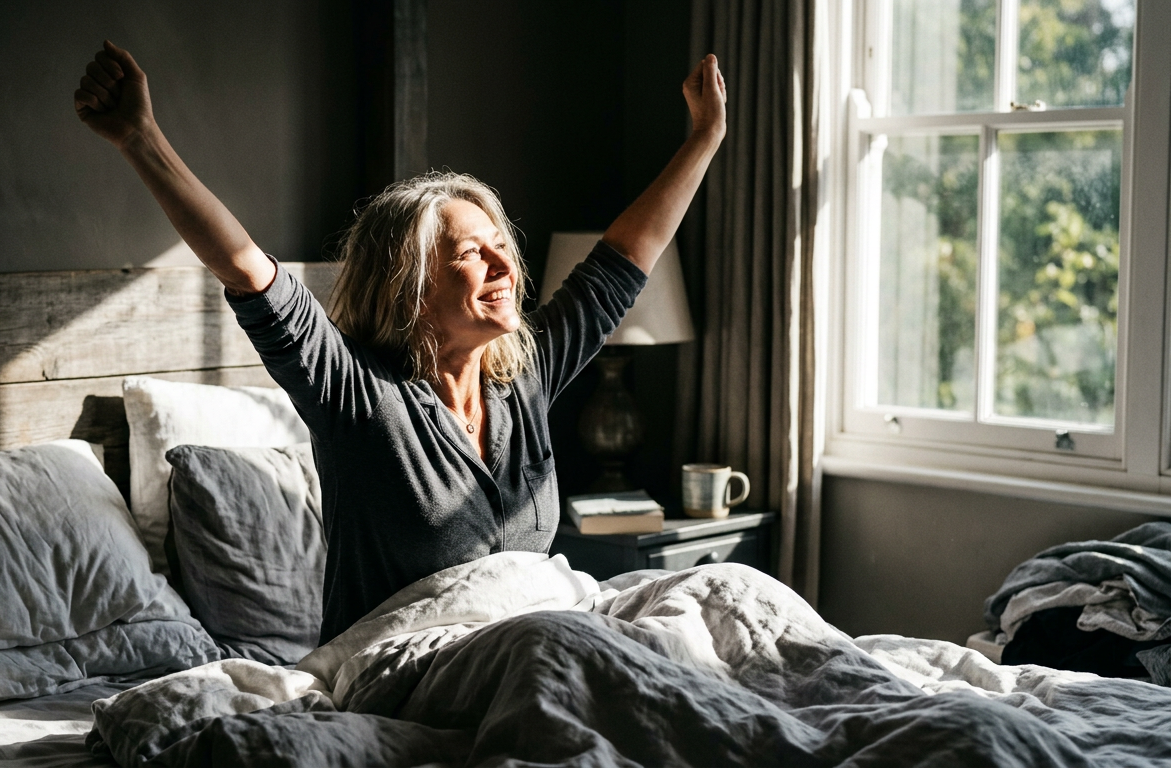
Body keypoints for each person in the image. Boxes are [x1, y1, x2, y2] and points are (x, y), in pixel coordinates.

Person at [74, 40, 727, 644]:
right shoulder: (359, 394)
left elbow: (621, 264)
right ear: (411, 286)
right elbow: (248, 269)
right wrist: (140, 137)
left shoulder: (524, 374)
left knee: (726, 597)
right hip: (406, 676)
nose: (506, 268)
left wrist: (703, 137)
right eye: (475, 254)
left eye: (504, 247)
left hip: (529, 648)